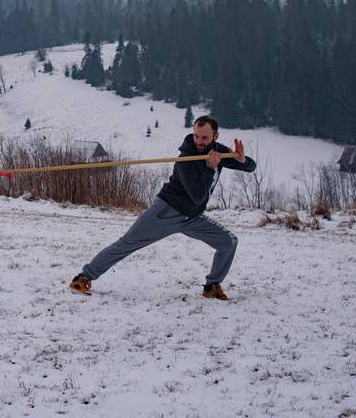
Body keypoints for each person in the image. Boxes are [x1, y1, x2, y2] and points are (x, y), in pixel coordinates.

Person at [69, 115, 257, 301]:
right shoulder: (186, 158)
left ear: (215, 137)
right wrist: (209, 169)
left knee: (228, 242)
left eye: (204, 137)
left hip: (191, 217)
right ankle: (83, 278)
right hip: (166, 212)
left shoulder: (217, 152)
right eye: (196, 136)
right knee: (127, 243)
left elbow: (250, 167)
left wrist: (241, 160)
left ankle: (212, 286)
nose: (199, 141)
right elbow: (198, 195)